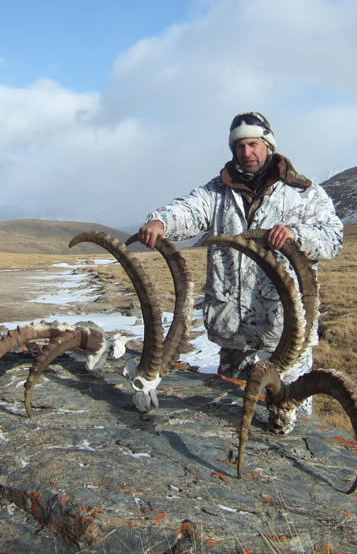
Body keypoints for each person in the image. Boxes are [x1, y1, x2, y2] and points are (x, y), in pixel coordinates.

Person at [137, 112, 343, 433]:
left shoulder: (303, 193)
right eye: (240, 146)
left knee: (285, 430)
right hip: (234, 345)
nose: (247, 152)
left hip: (284, 346)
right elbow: (190, 210)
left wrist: (296, 236)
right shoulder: (218, 192)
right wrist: (161, 222)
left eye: (254, 144)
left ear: (268, 145)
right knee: (229, 428)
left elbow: (332, 237)